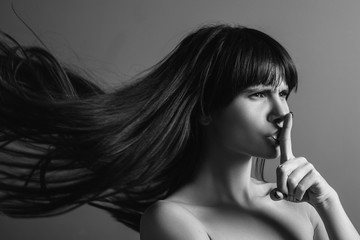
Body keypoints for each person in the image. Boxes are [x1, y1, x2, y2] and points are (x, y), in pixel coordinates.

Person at [0, 24, 358, 240]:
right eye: (258, 94)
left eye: (283, 93)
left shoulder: (306, 209)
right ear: (205, 109)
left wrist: (329, 203)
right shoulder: (171, 220)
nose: (282, 112)